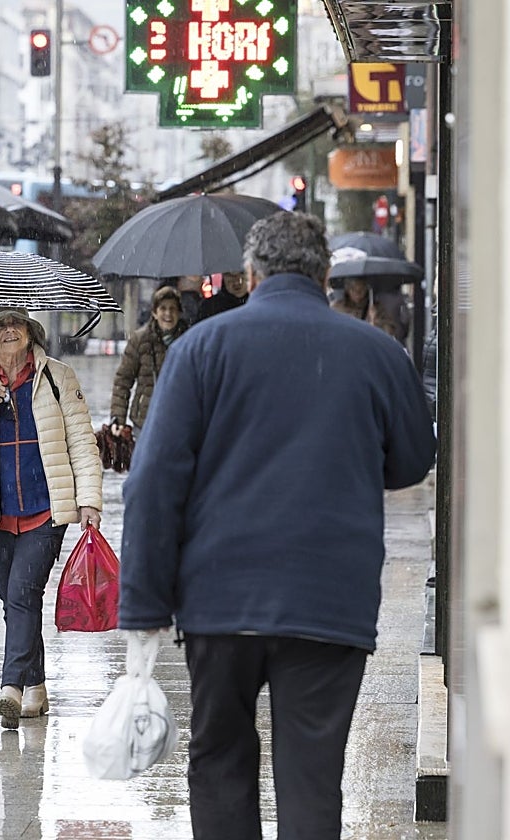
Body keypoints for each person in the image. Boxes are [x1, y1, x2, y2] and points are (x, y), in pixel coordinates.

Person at [118, 212, 436, 840]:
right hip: (329, 603)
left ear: (249, 274)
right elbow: (411, 463)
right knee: (313, 776)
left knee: (220, 763)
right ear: (324, 275)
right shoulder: (375, 353)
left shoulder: (199, 351)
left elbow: (152, 482)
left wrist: (145, 605)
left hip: (219, 602)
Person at [0, 307, 102, 730]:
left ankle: (10, 687)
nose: (9, 330)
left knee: (23, 594)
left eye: (18, 324)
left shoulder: (58, 377)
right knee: (15, 601)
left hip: (46, 508)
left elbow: (83, 443)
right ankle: (38, 687)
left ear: (31, 335)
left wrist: (89, 500)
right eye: (0, 325)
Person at [108, 285, 189, 439]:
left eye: (173, 308)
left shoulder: (189, 339)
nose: (168, 313)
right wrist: (118, 418)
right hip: (145, 420)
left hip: (180, 419)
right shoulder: (140, 340)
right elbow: (123, 381)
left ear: (179, 312)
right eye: (163, 308)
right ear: (154, 312)